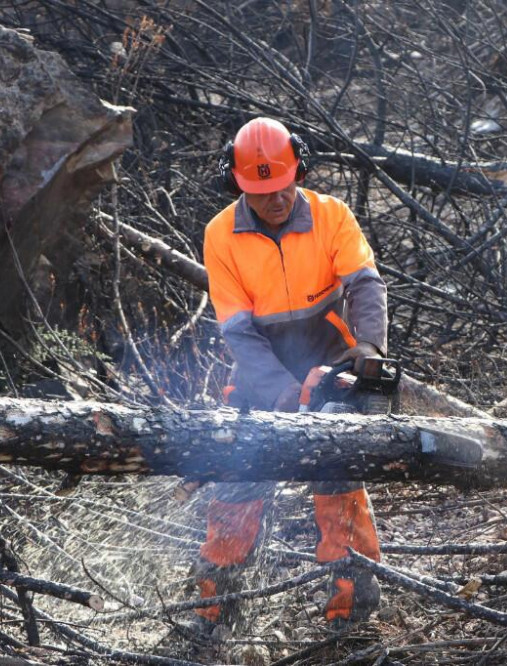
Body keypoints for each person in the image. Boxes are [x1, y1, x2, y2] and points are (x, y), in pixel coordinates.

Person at [198, 117, 387, 633]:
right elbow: (238, 331)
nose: (276, 200)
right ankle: (215, 613)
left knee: (338, 484)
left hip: (331, 362)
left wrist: (368, 347)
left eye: (282, 187)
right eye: (262, 192)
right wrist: (281, 390)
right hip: (260, 375)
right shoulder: (220, 235)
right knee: (237, 481)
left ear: (298, 169)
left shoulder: (331, 216)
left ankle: (350, 613)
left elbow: (365, 286)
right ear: (238, 182)